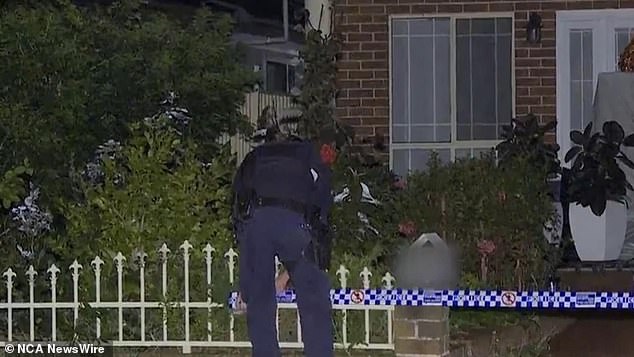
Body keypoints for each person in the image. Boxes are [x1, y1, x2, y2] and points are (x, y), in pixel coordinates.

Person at [231, 116, 334, 357]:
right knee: (313, 298)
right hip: (297, 221)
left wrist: (247, 291)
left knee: (260, 301)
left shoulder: (254, 158)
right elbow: (323, 198)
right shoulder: (308, 154)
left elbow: (238, 212)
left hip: (257, 221)